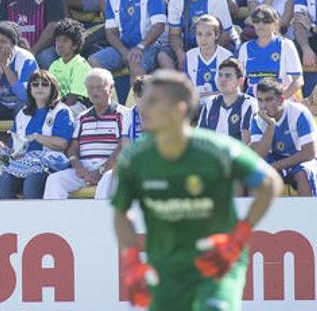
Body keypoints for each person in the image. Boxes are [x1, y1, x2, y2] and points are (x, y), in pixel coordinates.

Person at [113, 70, 280, 311]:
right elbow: (121, 212)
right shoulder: (134, 157)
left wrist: (238, 237)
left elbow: (269, 183)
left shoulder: (216, 150)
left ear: (179, 109)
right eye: (143, 100)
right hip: (167, 267)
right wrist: (131, 262)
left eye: (153, 101)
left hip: (214, 262)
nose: (142, 107)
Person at [43, 68, 131, 200]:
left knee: (106, 180)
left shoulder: (123, 114)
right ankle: (57, 220)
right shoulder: (82, 117)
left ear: (111, 88)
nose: (94, 92)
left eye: (99, 87)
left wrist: (100, 171)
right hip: (85, 169)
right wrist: (77, 166)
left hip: (111, 168)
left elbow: (123, 148)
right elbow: (73, 147)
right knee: (55, 180)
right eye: (91, 88)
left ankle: (100, 220)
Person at [0, 70, 74, 200]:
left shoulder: (62, 111)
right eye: (35, 84)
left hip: (50, 164)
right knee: (4, 180)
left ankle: (34, 220)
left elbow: (62, 144)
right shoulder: (22, 113)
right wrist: (14, 152)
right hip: (24, 163)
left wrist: (37, 137)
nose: (39, 88)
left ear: (52, 88)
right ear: (30, 88)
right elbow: (15, 146)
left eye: (44, 84)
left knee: (32, 181)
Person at [88, 0, 167, 81]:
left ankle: (138, 101)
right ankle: (108, 99)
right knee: (93, 61)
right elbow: (110, 32)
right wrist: (124, 51)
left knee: (135, 64)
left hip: (149, 46)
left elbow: (159, 26)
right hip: (124, 48)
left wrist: (140, 47)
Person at [161, 0, 237, 71]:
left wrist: (201, 56)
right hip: (190, 44)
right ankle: (177, 86)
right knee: (163, 55)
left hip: (218, 43)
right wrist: (180, 54)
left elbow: (225, 35)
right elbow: (174, 34)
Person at [250, 77, 316, 197]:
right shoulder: (257, 119)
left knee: (302, 174)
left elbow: (309, 153)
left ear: (281, 100)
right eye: (260, 100)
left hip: (300, 159)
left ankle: (309, 214)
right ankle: (260, 215)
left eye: (268, 100)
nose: (263, 105)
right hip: (273, 159)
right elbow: (258, 156)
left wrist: (275, 166)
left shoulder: (299, 113)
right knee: (255, 176)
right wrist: (271, 126)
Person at [237, 5, 303, 99]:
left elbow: (298, 81)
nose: (261, 24)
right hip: (253, 102)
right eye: (256, 20)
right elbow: (239, 82)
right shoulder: (245, 47)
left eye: (266, 21)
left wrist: (279, 100)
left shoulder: (286, 45)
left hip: (280, 101)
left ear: (276, 24)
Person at [197, 58, 257, 142]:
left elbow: (247, 143)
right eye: (220, 75)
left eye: (228, 76)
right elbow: (201, 137)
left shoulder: (249, 105)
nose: (222, 79)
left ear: (240, 81)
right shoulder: (210, 103)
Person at [48, 18, 91, 117]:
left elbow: (72, 99)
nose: (59, 45)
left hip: (79, 106)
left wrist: (56, 111)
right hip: (60, 104)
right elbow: (51, 93)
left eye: (65, 41)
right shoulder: (54, 65)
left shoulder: (80, 64)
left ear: (75, 45)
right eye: (57, 41)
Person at [184, 15, 233, 101]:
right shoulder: (189, 56)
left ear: (216, 35)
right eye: (199, 34)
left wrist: (205, 96)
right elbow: (187, 89)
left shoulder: (227, 57)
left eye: (208, 34)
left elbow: (230, 92)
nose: (203, 39)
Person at [293, 0, 317, 67]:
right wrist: (305, 47)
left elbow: (308, 25)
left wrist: (312, 27)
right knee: (295, 48)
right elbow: (299, 23)